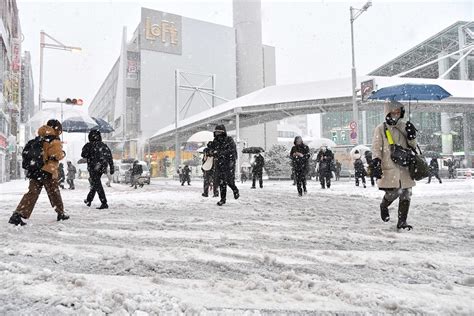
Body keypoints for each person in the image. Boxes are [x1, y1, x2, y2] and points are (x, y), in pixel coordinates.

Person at [8, 119, 69, 225]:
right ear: (57, 128)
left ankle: (17, 214)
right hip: (48, 170)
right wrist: (63, 153)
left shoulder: (39, 137)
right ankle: (60, 213)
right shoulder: (54, 139)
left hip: (35, 170)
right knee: (54, 193)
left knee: (32, 193)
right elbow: (56, 155)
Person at [372, 101, 417, 230]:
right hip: (390, 166)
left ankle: (402, 221)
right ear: (388, 113)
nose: (396, 115)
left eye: (398, 112)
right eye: (393, 112)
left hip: (405, 166)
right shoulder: (381, 128)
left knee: (406, 193)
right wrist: (376, 160)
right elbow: (376, 147)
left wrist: (411, 135)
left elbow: (413, 146)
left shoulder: (405, 126)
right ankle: (384, 205)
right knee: (394, 192)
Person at [82, 129, 114, 209]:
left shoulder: (89, 145)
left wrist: (88, 151)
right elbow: (109, 156)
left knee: (97, 184)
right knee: (96, 183)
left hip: (93, 167)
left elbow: (83, 155)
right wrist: (111, 167)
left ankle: (104, 202)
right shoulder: (104, 145)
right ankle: (89, 199)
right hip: (102, 167)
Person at [212, 125, 239, 206]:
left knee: (230, 181)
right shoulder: (215, 140)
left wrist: (221, 153)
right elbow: (212, 149)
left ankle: (235, 190)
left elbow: (232, 151)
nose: (217, 133)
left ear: (223, 132)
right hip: (219, 163)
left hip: (228, 163)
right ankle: (223, 199)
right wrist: (209, 149)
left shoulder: (229, 140)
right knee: (221, 182)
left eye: (219, 132)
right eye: (216, 132)